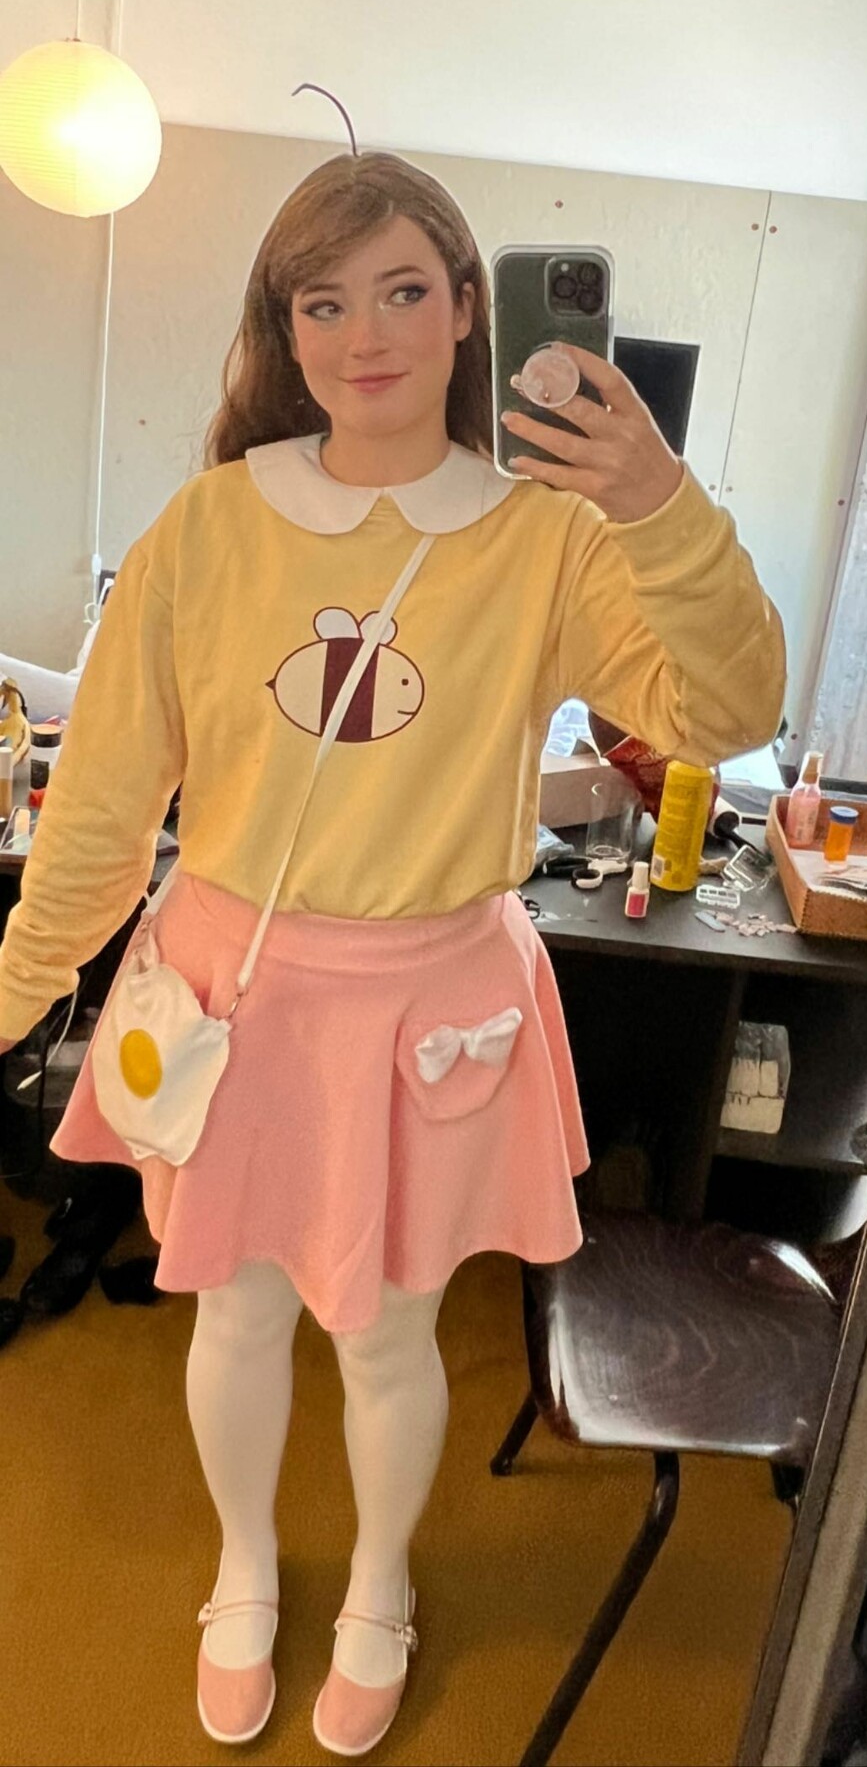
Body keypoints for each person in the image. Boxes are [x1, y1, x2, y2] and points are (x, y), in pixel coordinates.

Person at [0, 151, 785, 1754]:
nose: (366, 335)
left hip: (433, 1000)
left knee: (385, 1331)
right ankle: (242, 1566)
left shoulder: (548, 538)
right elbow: (104, 807)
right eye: (325, 302)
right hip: (231, 992)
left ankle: (377, 1584)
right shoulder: (208, 529)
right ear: (285, 331)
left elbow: (728, 712)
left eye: (405, 290)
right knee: (232, 1311)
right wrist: (12, 987)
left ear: (469, 309)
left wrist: (658, 503)